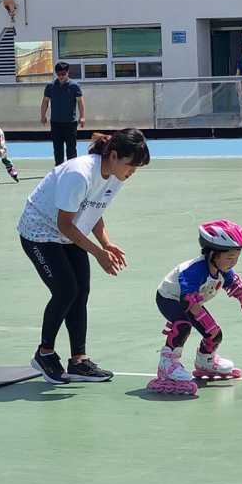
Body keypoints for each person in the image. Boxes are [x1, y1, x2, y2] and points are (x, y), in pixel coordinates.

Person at [18, 129, 151, 385]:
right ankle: (44, 354)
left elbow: (93, 209)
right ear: (113, 155)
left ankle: (78, 361)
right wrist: (98, 253)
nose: (132, 172)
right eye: (131, 165)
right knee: (66, 290)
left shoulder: (115, 175)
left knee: (81, 291)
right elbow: (64, 224)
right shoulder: (79, 174)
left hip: (70, 232)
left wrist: (106, 243)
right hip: (40, 233)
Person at [147, 220, 242, 396]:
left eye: (237, 257)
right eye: (230, 257)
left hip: (192, 301)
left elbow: (236, 285)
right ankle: (167, 366)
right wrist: (208, 324)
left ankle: (205, 361)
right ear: (213, 254)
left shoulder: (223, 268)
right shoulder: (194, 271)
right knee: (183, 326)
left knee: (215, 334)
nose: (233, 263)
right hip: (170, 298)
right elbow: (188, 301)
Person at [41, 61, 84, 165]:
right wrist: (43, 115)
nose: (61, 76)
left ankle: (72, 167)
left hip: (70, 122)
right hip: (56, 122)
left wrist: (82, 117)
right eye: (58, 74)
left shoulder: (74, 86)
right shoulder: (50, 86)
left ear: (67, 72)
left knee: (71, 148)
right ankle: (59, 167)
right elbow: (45, 101)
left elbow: (80, 102)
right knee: (57, 147)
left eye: (63, 74)